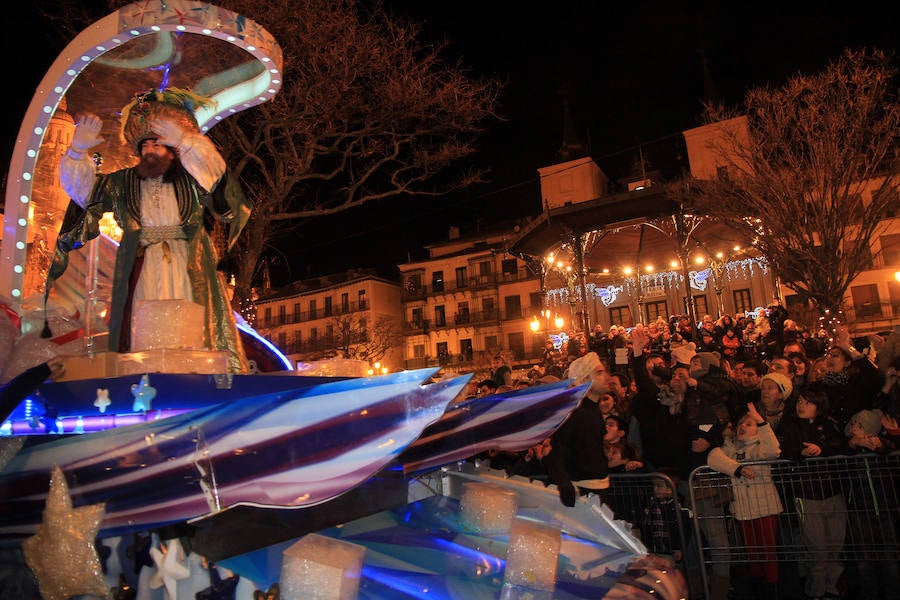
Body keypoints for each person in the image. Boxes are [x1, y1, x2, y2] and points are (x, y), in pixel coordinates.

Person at [52, 88, 251, 373]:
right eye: (144, 147)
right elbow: (85, 193)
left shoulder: (192, 179)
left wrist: (186, 141)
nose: (150, 151)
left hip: (187, 264)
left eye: (157, 145)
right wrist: (77, 152)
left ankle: (195, 378)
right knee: (142, 330)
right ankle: (144, 379)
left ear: (172, 151)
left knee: (191, 329)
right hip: (141, 265)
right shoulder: (123, 183)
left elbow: (217, 177)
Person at [708, 403, 783, 598]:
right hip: (743, 509)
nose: (743, 426)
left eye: (749, 424)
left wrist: (762, 422)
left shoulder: (760, 448)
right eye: (741, 424)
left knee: (767, 552)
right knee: (752, 553)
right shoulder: (731, 450)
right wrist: (737, 468)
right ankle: (758, 587)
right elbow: (713, 457)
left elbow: (773, 450)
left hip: (764, 508)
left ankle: (771, 589)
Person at [779, 390, 847, 600]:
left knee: (836, 543)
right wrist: (800, 452)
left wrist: (822, 449)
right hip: (805, 493)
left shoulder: (828, 424)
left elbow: (841, 444)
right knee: (816, 546)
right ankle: (816, 590)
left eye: (808, 402)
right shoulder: (788, 424)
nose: (802, 405)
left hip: (832, 491)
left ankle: (832, 587)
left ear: (818, 406)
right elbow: (781, 449)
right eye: (800, 401)